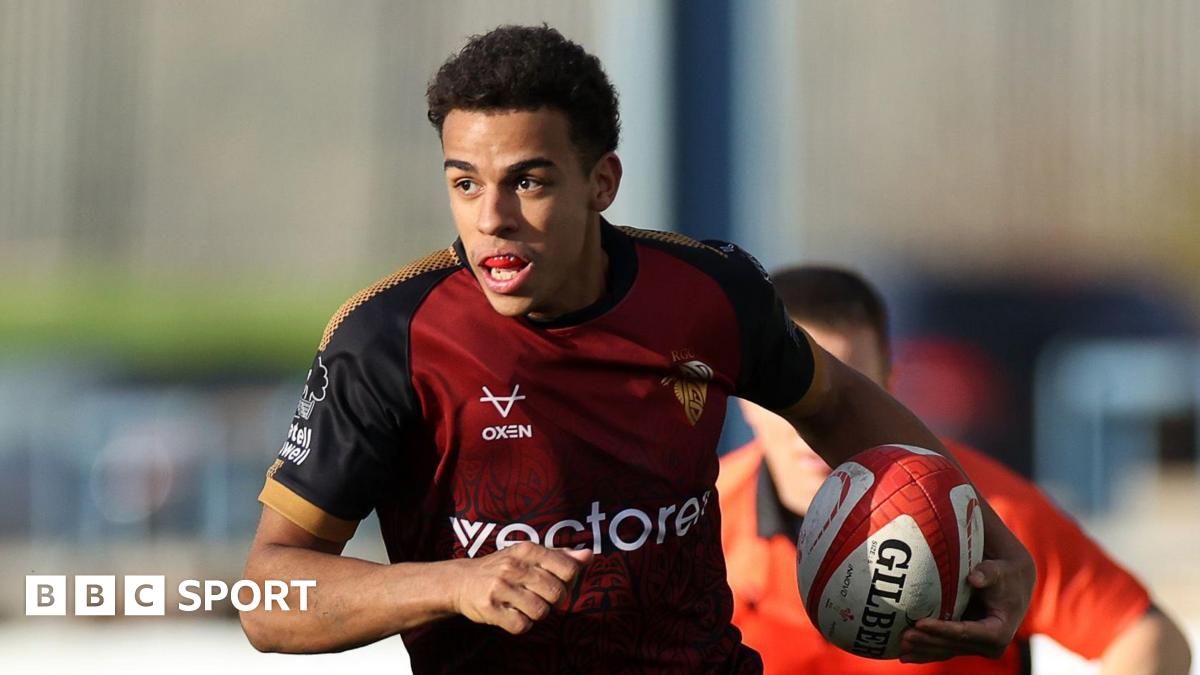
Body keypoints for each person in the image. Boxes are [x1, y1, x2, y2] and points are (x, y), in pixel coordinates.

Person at [238, 25, 1034, 673]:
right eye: (465, 182)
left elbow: (836, 400)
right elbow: (267, 600)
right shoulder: (387, 340)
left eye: (529, 181)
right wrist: (452, 584)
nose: (491, 217)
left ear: (603, 182)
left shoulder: (707, 293)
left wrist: (996, 545)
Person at [720, 265, 1193, 675]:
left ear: (885, 389)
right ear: (749, 396)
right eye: (792, 395)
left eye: (841, 396)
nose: (810, 423)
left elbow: (1146, 635)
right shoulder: (703, 515)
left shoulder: (982, 510)